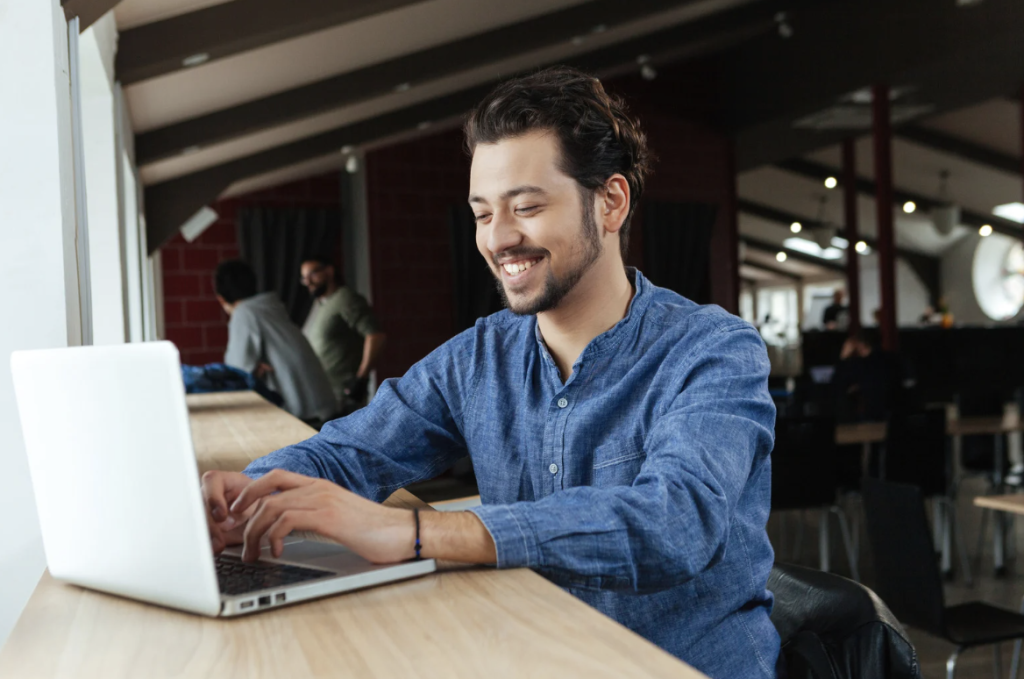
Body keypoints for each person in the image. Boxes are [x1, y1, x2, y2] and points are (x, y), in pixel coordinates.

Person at [203, 67, 780, 678]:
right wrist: (248, 496)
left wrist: (418, 534)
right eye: (482, 214)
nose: (500, 238)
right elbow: (349, 453)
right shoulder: (480, 357)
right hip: (534, 656)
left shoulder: (713, 351)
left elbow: (674, 524)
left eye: (526, 207)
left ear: (611, 202)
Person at [215, 259, 337, 425]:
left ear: (221, 299)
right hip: (323, 407)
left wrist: (251, 372)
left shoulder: (244, 312)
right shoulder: (270, 307)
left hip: (305, 418)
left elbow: (235, 375)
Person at [299, 255, 386, 413]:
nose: (308, 282)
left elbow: (375, 335)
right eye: (304, 277)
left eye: (312, 274)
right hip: (321, 393)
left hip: (344, 394)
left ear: (329, 271)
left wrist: (361, 378)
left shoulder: (346, 298)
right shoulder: (318, 303)